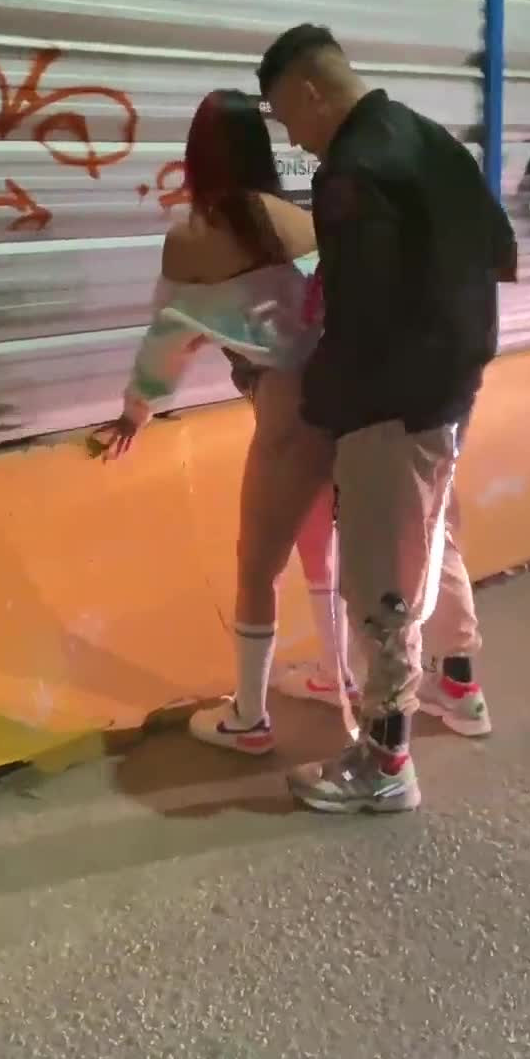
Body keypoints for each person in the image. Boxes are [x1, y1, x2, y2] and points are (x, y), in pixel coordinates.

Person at [256, 24, 518, 813]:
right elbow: (500, 246)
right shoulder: (428, 138)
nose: (292, 139)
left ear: (310, 92)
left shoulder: (353, 170)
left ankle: (384, 759)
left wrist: (320, 406)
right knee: (431, 536)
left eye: (286, 117)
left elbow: (359, 318)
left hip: (392, 404)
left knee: (381, 583)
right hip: (452, 388)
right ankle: (458, 682)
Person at [90, 89, 359, 753]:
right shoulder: (298, 221)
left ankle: (249, 720)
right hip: (344, 402)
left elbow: (169, 338)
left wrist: (135, 411)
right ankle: (335, 672)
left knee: (256, 565)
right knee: (319, 543)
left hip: (285, 412)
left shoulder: (192, 238)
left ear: (198, 156)